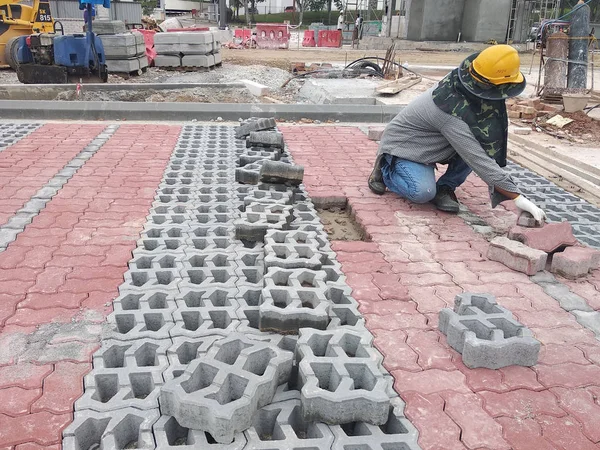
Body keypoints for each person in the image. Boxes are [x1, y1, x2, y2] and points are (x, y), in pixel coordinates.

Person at [367, 45, 546, 223]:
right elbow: (476, 158)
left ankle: (445, 187)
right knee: (422, 192)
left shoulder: (466, 82)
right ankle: (385, 169)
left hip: (436, 143)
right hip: (406, 148)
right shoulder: (449, 109)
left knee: (479, 141)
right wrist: (517, 197)